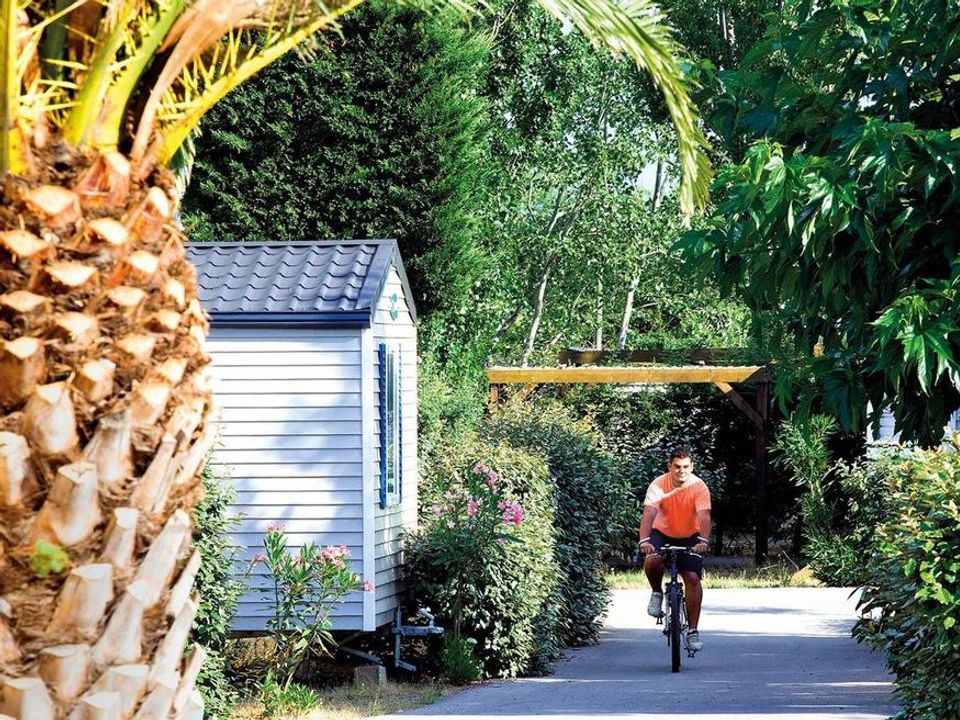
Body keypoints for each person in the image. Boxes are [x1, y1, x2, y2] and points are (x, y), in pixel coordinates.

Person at [638, 446, 711, 652]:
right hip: (662, 532)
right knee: (653, 559)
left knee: (693, 578)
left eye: (686, 466)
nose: (681, 471)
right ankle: (656, 593)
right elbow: (649, 513)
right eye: (677, 466)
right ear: (670, 466)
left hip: (690, 535)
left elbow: (704, 515)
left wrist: (703, 540)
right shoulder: (658, 484)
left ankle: (693, 631)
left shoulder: (699, 486)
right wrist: (645, 541)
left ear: (692, 466)